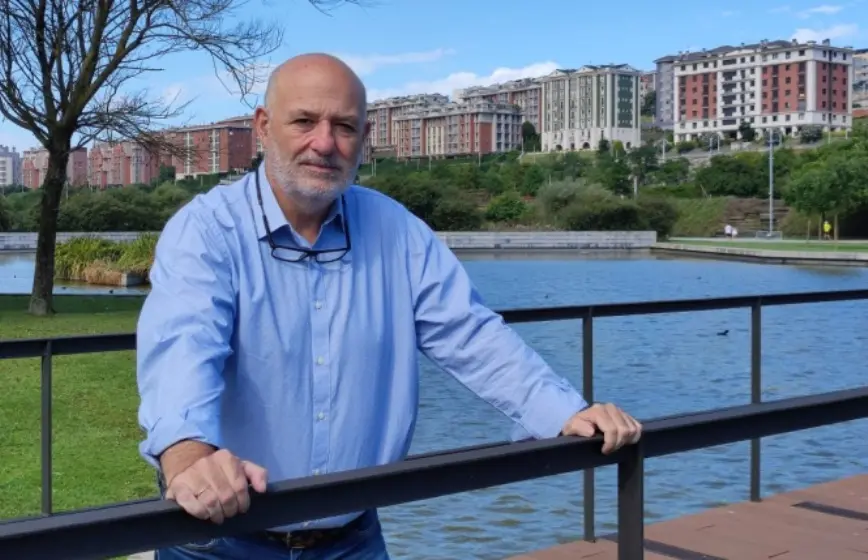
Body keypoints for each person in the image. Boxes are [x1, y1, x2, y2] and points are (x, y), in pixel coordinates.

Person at [136, 53, 642, 560]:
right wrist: (189, 457)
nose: (325, 143)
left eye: (345, 126)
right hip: (220, 538)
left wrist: (564, 412)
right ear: (264, 127)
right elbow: (184, 345)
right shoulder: (206, 230)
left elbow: (471, 335)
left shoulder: (397, 231)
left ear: (365, 136)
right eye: (305, 121)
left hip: (351, 540)